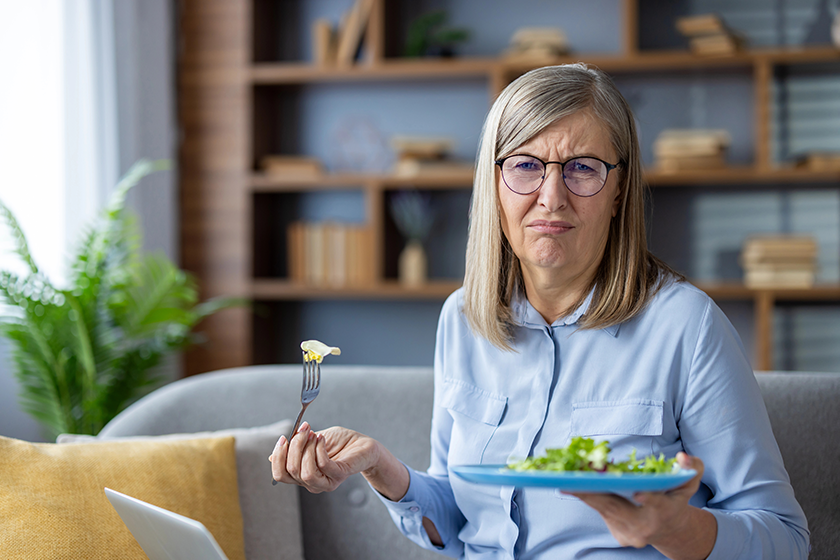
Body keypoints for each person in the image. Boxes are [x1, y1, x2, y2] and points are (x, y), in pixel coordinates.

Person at [269, 63, 809, 559]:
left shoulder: (687, 327)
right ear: (495, 185)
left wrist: (671, 528)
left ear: (618, 190)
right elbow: (460, 521)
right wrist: (380, 466)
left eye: (583, 168)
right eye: (526, 165)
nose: (552, 196)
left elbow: (786, 537)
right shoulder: (462, 319)